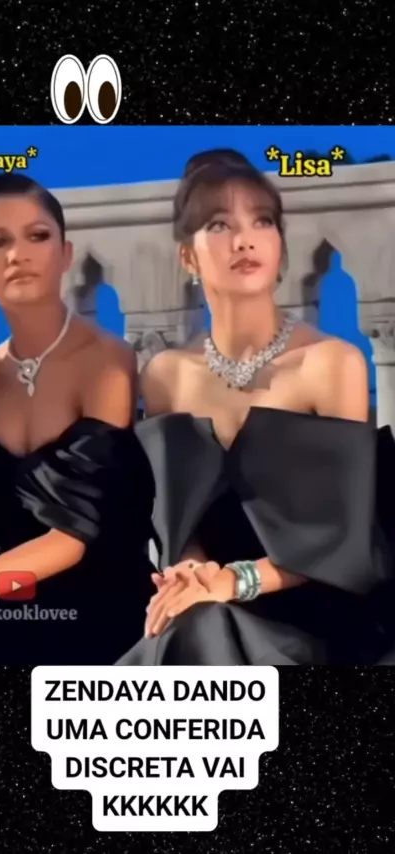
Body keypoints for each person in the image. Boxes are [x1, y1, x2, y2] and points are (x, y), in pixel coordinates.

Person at [117, 148, 395, 666]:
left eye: (262, 221)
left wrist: (232, 581)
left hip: (319, 615)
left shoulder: (332, 363)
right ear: (188, 257)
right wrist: (192, 573)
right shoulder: (165, 376)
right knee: (191, 627)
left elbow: (342, 539)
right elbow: (179, 522)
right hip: (214, 609)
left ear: (280, 244)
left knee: (197, 633)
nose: (244, 239)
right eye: (219, 225)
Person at [0, 173, 155, 665]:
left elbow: (73, 537)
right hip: (11, 593)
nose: (17, 254)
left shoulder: (108, 362)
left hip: (103, 601)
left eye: (37, 236)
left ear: (65, 255)